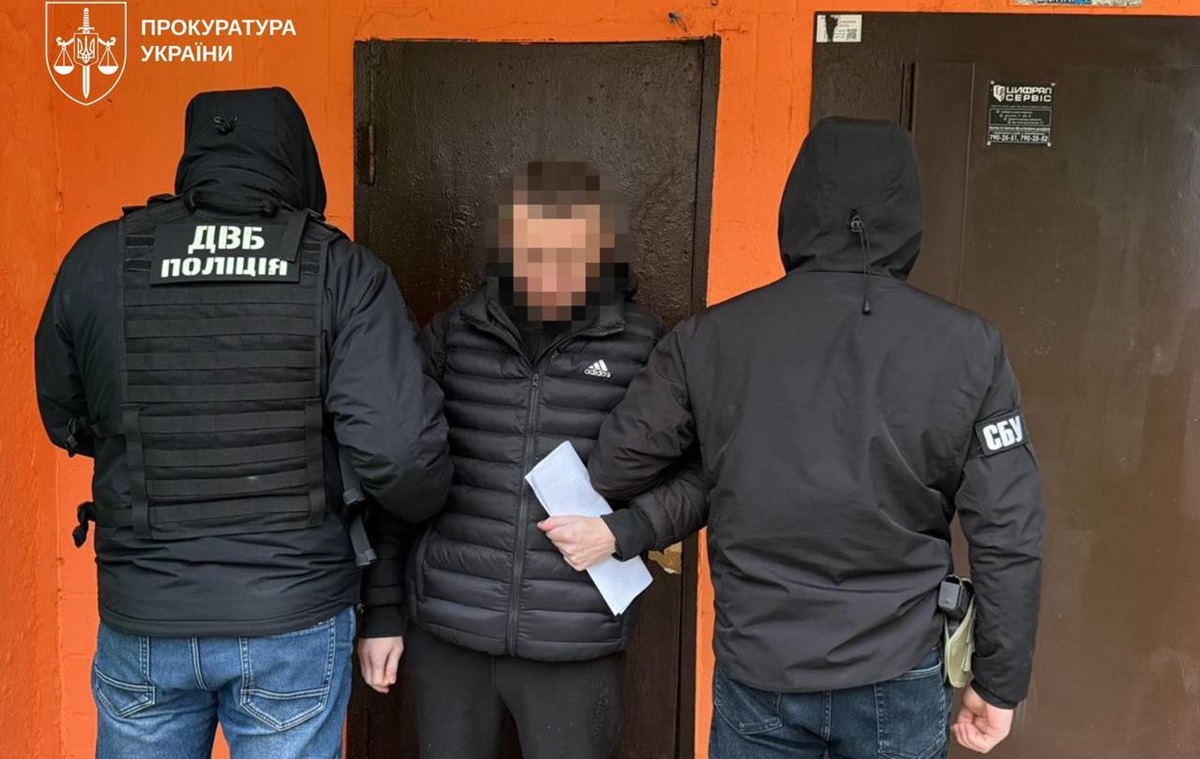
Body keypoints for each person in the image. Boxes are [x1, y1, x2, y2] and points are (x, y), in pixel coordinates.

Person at [586, 117, 1046, 758]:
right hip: (897, 665)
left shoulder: (710, 338)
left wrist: (726, 450)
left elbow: (615, 467)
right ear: (906, 214)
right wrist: (999, 683)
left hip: (760, 665)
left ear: (798, 207)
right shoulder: (970, 347)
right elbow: (1008, 532)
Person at [34, 87, 451, 759]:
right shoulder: (340, 269)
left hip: (146, 611)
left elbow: (66, 417)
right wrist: (428, 504)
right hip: (291, 617)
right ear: (295, 157)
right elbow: (400, 456)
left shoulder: (98, 259)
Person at [357, 161, 706, 759]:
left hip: (575, 643)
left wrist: (624, 531)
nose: (548, 270)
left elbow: (701, 473)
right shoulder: (454, 334)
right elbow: (400, 476)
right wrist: (382, 611)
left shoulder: (645, 344)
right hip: (449, 633)